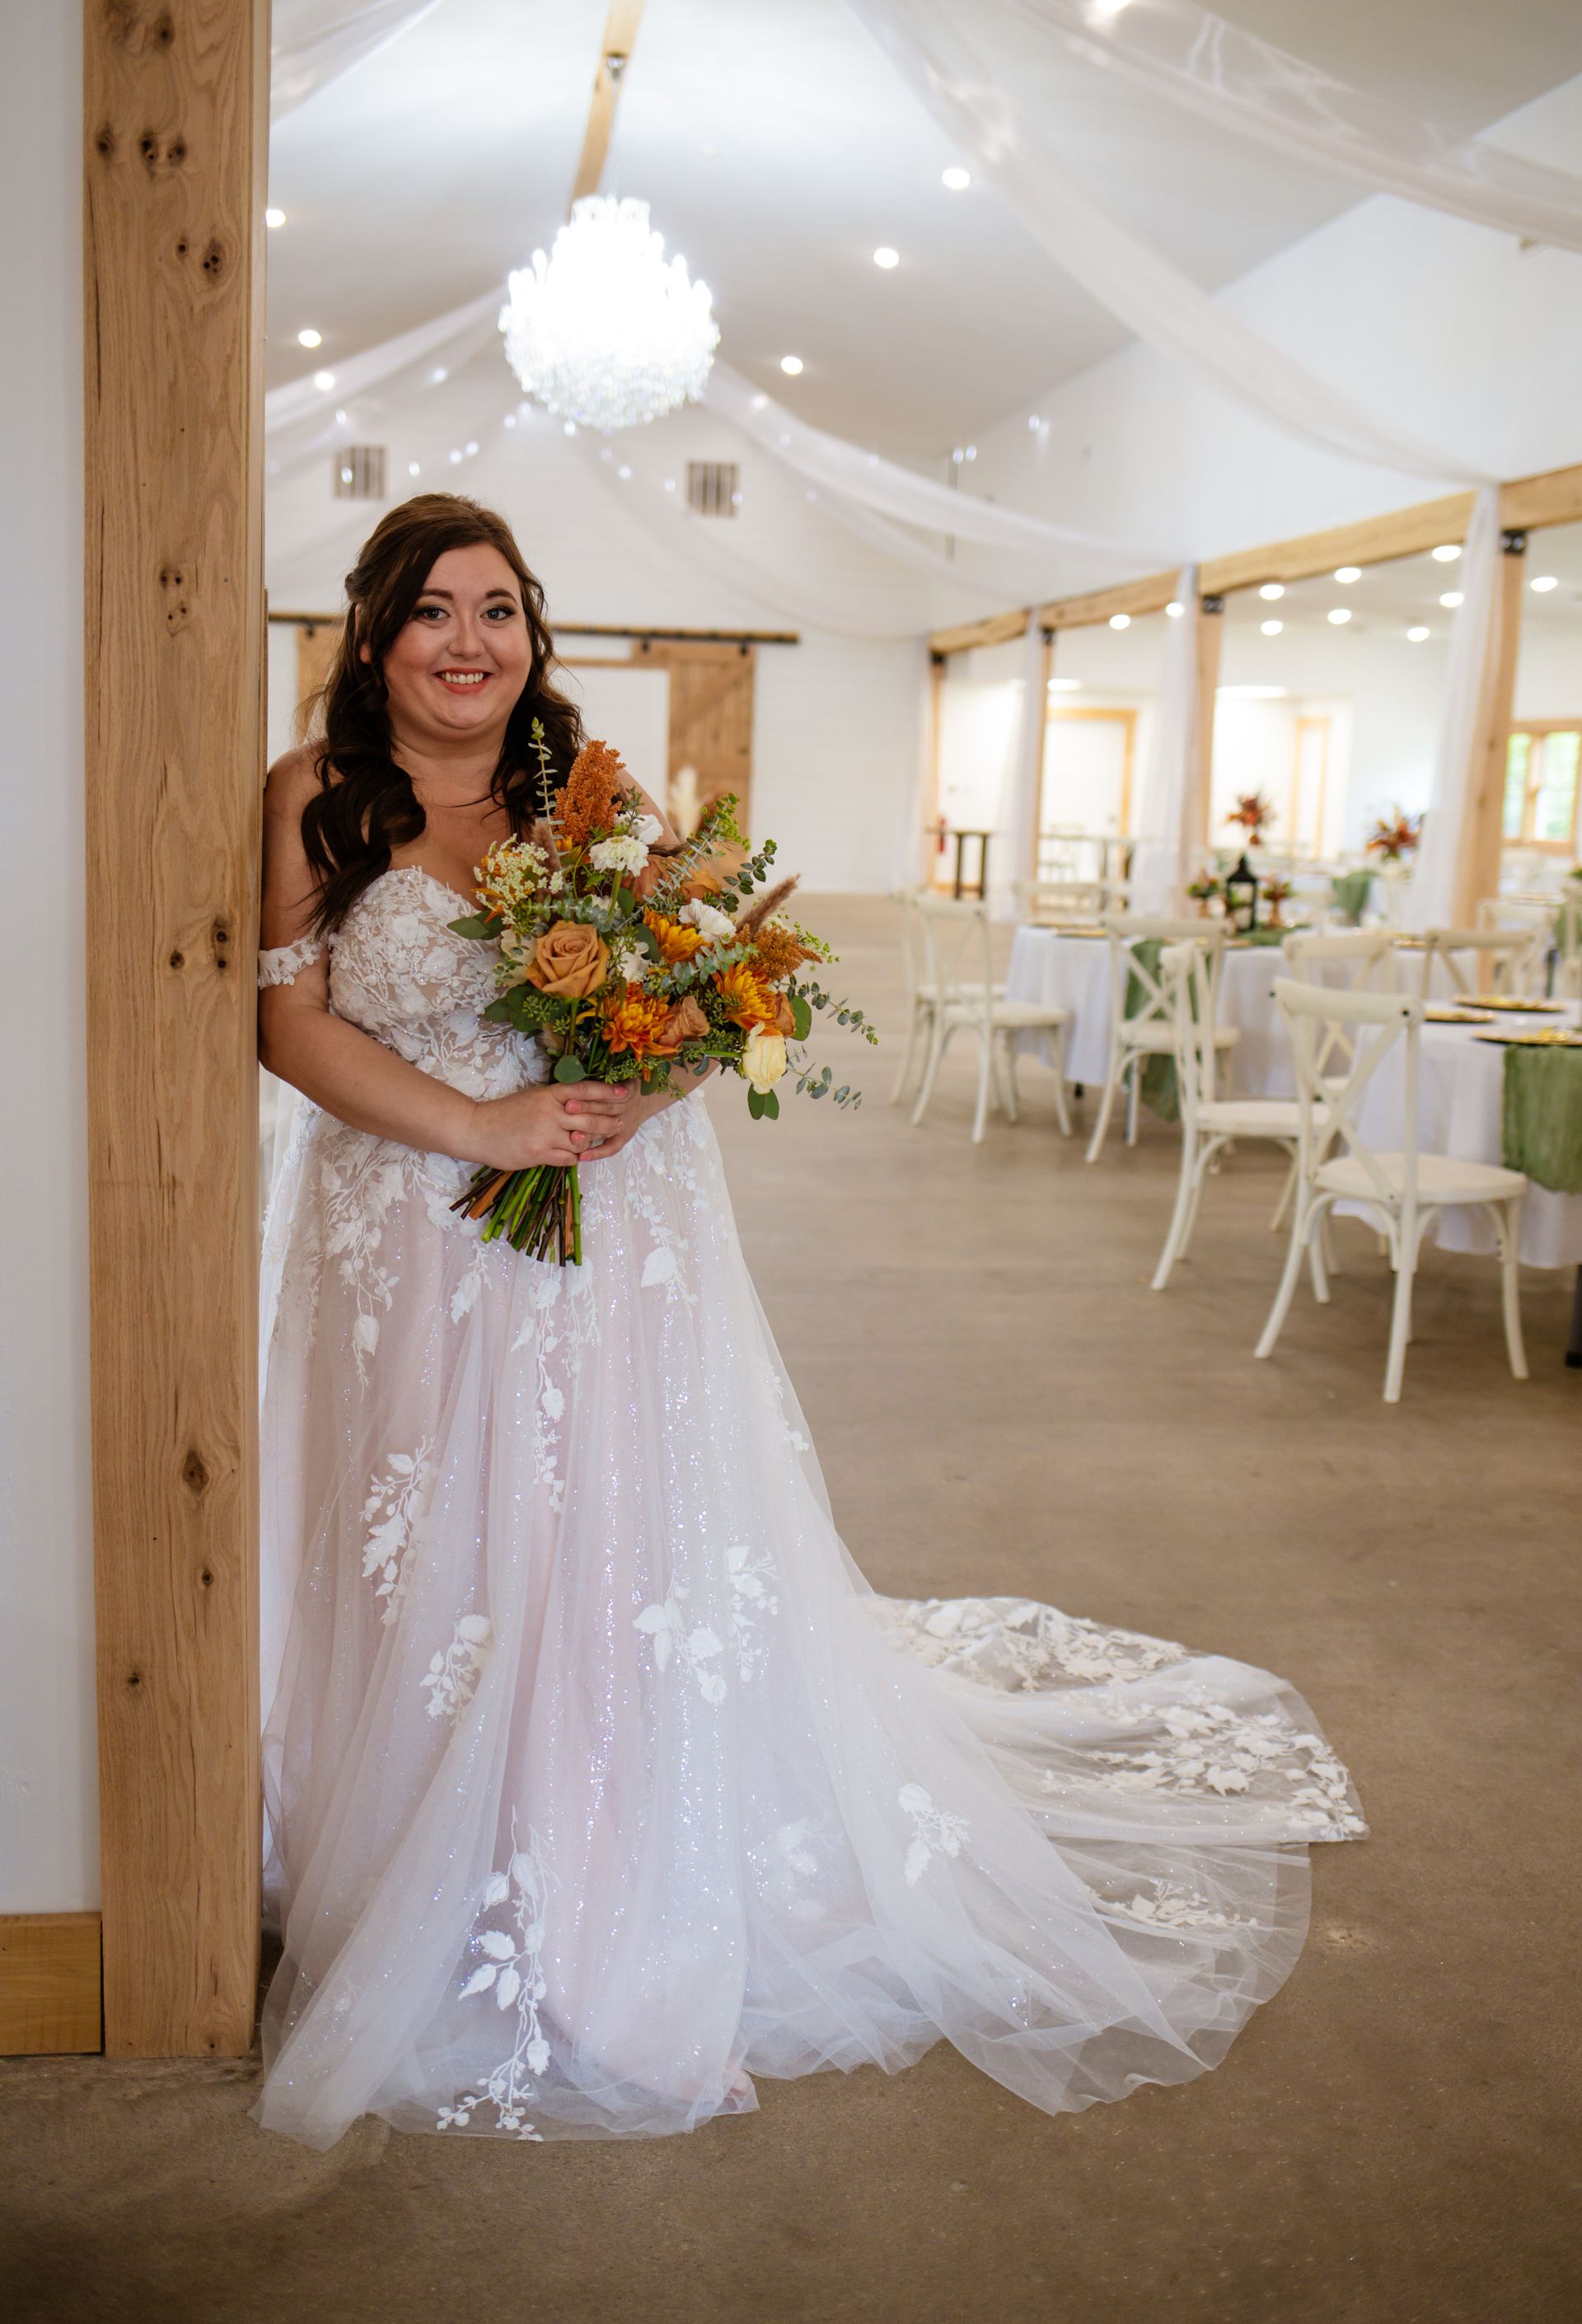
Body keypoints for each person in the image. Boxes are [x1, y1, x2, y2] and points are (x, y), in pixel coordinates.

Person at [252, 493, 1364, 2152]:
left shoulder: (588, 792)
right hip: (400, 1236)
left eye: (500, 608)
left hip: (595, 1244)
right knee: (422, 1541)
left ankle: (594, 1891)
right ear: (372, 635)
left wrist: (655, 1063)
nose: (470, 643)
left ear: (533, 634)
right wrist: (480, 1126)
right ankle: (399, 1839)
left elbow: (712, 993)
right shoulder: (313, 796)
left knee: (584, 1548)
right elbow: (281, 1019)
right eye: (432, 611)